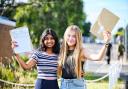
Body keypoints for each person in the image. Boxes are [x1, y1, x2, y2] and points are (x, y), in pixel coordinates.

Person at [58, 25, 111, 89]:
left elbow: (97, 57)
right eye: (69, 35)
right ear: (65, 36)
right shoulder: (62, 51)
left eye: (74, 36)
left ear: (78, 38)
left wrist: (106, 43)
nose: (70, 38)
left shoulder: (82, 51)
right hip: (63, 85)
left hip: (77, 86)